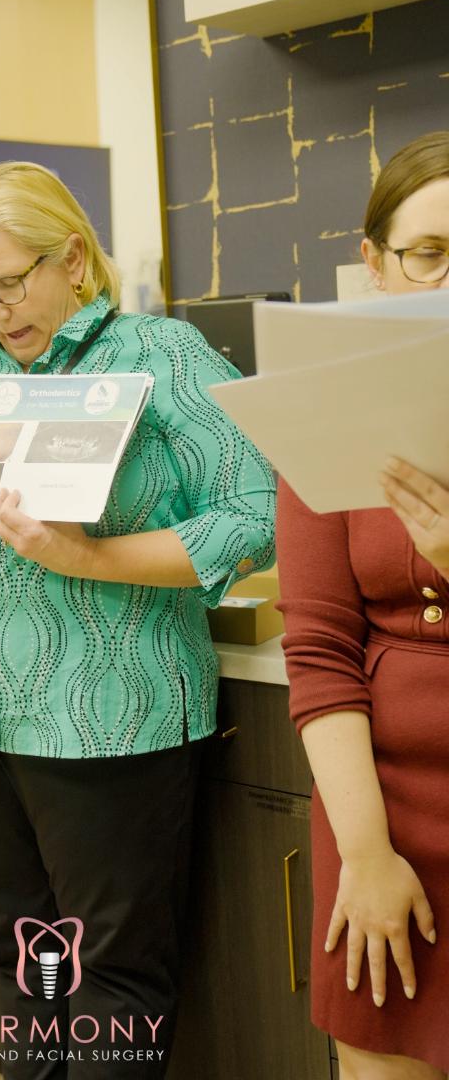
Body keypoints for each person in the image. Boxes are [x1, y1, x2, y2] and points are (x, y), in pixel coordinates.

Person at [0, 161, 276, 1078]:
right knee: (22, 967)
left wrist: (92, 558)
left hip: (110, 715)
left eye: (11, 281)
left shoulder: (162, 355)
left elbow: (256, 513)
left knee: (110, 980)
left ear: (74, 257)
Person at [276, 132, 449, 1080]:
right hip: (377, 811)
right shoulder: (323, 405)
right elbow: (320, 648)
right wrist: (366, 856)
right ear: (375, 264)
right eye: (428, 255)